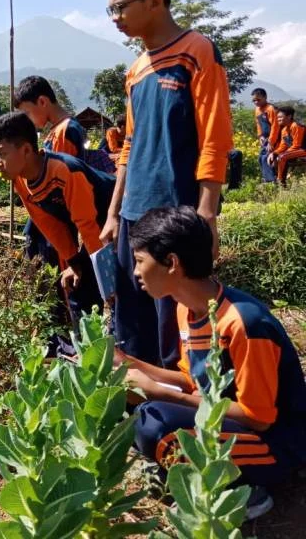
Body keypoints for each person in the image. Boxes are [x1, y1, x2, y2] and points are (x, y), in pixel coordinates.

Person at [120, 206, 306, 521]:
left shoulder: (244, 323)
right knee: (142, 416)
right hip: (234, 425)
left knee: (156, 425)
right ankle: (203, 475)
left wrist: (161, 394)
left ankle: (244, 492)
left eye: (140, 261)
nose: (135, 272)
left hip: (278, 443)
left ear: (172, 263)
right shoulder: (187, 309)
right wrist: (127, 363)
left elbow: (258, 418)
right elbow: (192, 380)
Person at [100, 0, 233, 369]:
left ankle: (182, 421)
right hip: (133, 214)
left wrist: (207, 212)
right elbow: (129, 146)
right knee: (131, 321)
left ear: (155, 0)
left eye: (120, 7)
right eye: (110, 10)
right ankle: (141, 420)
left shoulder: (197, 52)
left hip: (175, 214)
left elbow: (215, 137)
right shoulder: (137, 69)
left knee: (174, 325)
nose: (115, 18)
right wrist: (113, 212)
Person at [0, 111, 115, 351]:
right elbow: (48, 224)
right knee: (76, 286)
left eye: (2, 154)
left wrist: (103, 276)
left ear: (26, 150)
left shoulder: (64, 171)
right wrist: (73, 261)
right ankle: (86, 352)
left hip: (114, 219)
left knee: (107, 289)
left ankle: (111, 353)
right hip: (91, 227)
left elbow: (88, 225)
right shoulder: (20, 180)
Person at [14, 75, 115, 173]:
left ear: (42, 102)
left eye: (27, 113)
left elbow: (62, 177)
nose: (27, 119)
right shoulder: (59, 129)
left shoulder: (66, 130)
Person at [267, 105, 305, 186]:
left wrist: (282, 154)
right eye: (277, 117)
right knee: (274, 157)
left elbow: (297, 145)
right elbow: (283, 146)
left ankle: (281, 182)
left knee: (282, 157)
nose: (278, 119)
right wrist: (274, 153)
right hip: (297, 151)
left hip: (303, 149)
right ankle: (275, 178)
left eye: (281, 117)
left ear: (289, 116)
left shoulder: (296, 126)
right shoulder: (284, 130)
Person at [252, 88, 280, 184]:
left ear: (265, 97)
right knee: (261, 158)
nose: (256, 102)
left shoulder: (270, 109)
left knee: (266, 157)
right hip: (264, 139)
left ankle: (270, 181)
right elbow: (258, 124)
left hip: (274, 138)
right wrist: (260, 136)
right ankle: (268, 178)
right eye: (254, 100)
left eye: (258, 100)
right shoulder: (257, 110)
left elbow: (275, 126)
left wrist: (271, 141)